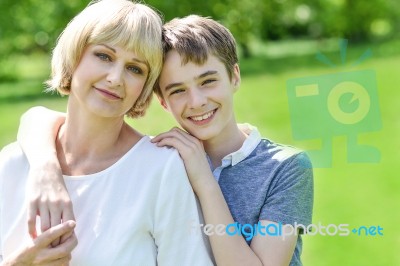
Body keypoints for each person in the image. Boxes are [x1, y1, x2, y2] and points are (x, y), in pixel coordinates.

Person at [17, 15, 313, 266]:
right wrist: (46, 167)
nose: (197, 101)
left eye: (208, 81)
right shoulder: (165, 162)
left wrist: (204, 181)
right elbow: (39, 117)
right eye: (177, 90)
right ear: (161, 101)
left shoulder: (285, 168)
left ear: (234, 76)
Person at [0, 1, 213, 265]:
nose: (115, 78)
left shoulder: (160, 170)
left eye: (135, 69)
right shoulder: (11, 164)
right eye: (104, 56)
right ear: (75, 54)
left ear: (145, 86)